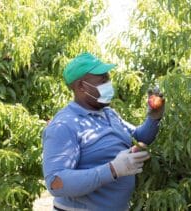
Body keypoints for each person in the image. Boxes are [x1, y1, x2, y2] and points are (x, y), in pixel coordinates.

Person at [42, 52, 165, 211]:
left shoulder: (109, 114)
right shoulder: (64, 125)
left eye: (108, 78)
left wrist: (154, 117)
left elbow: (139, 137)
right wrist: (113, 169)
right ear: (81, 86)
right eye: (103, 80)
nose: (109, 84)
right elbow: (56, 182)